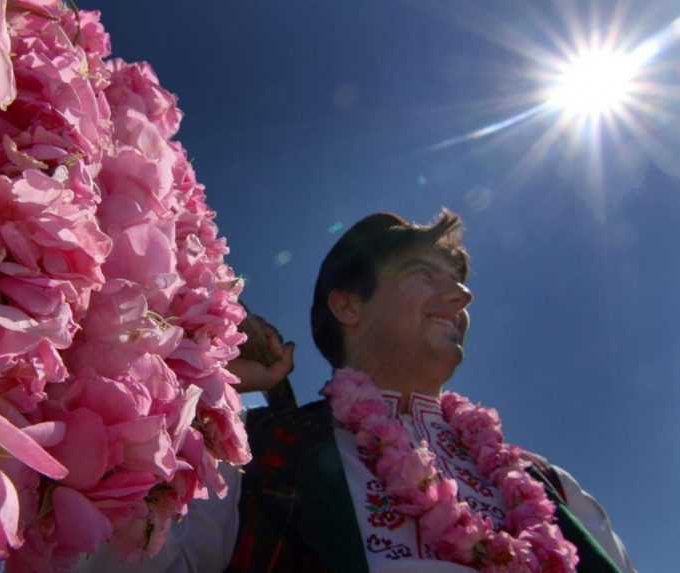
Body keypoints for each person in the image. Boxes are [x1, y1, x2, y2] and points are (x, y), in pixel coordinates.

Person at [79, 209, 636, 573]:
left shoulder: (550, 485)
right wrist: (196, 380)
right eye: (426, 273)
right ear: (347, 304)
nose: (461, 295)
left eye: (460, 281)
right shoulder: (253, 453)